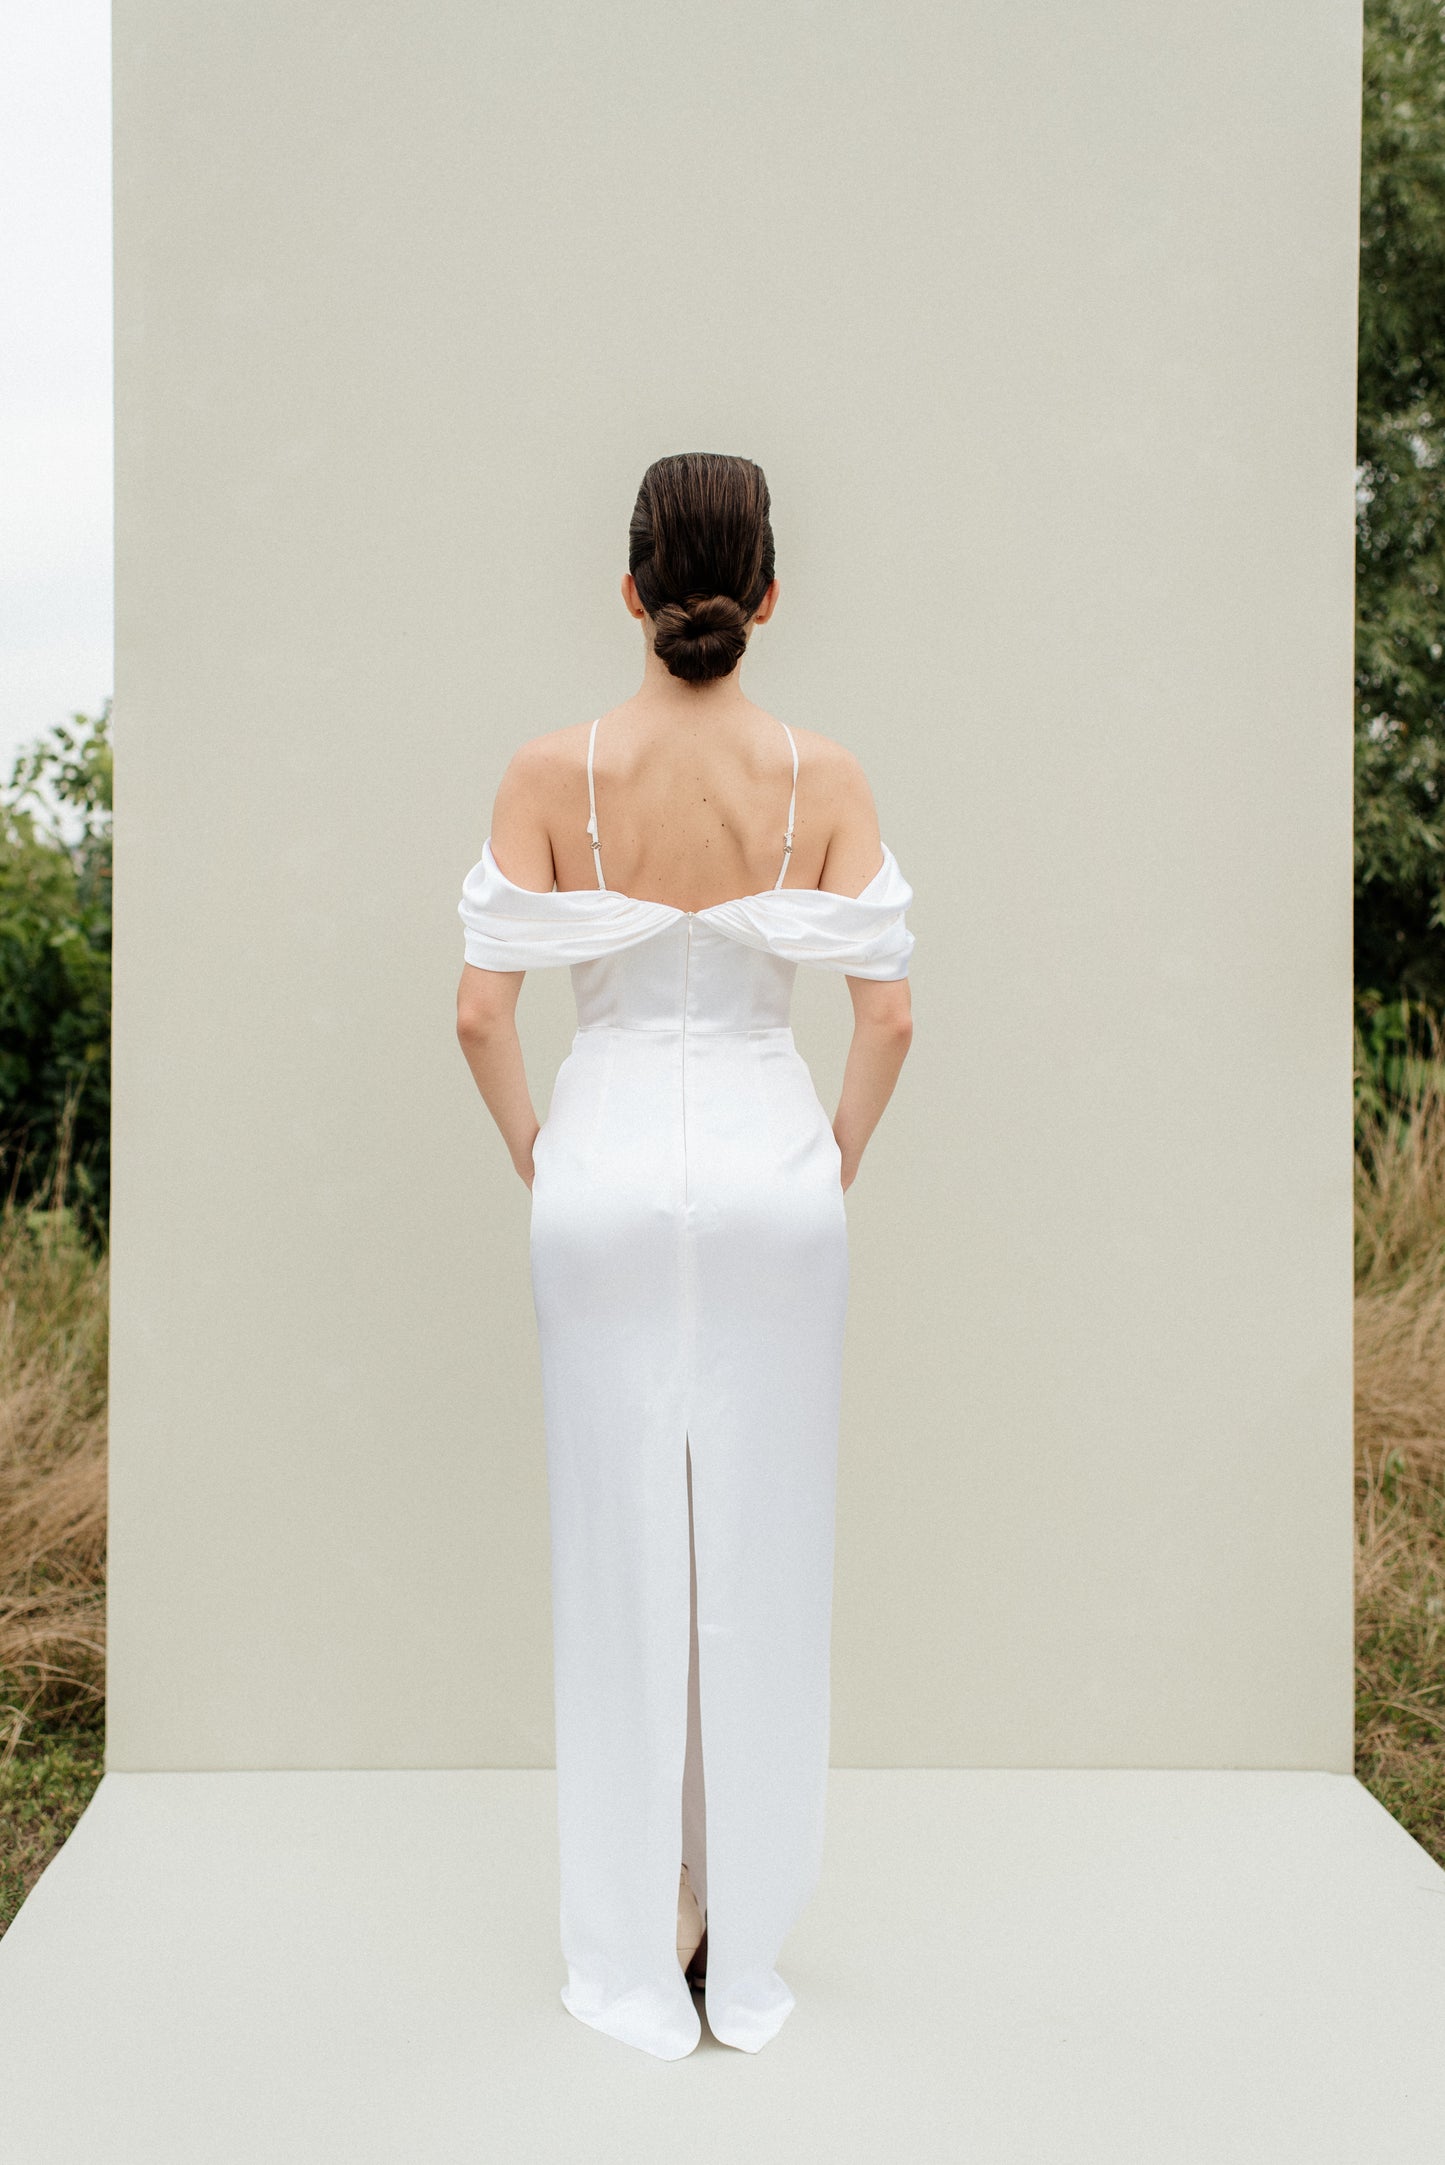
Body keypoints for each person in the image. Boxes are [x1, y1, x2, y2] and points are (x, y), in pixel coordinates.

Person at [455, 451, 915, 2059]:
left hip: (599, 1180)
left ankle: (641, 1931)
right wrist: (827, 1157)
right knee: (764, 1554)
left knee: (618, 1551)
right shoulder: (827, 777)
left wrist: (539, 1147)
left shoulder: (547, 769)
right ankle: (744, 1933)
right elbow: (890, 1011)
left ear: (632, 590)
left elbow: (477, 1008)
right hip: (774, 1169)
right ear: (768, 591)